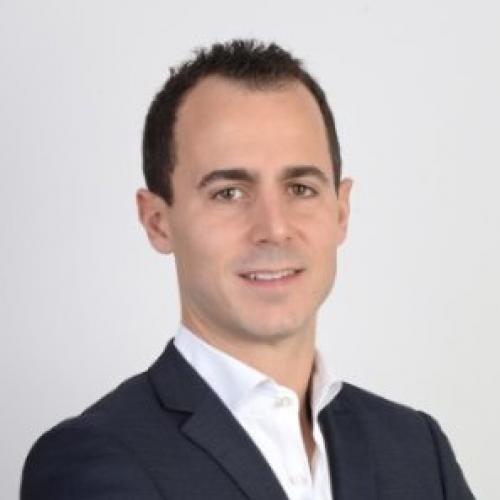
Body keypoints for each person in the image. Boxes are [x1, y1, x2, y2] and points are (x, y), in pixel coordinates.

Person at [20, 39, 475, 500]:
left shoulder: (417, 450)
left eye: (300, 188)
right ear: (157, 222)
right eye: (229, 193)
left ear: (341, 211)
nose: (274, 229)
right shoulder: (92, 461)